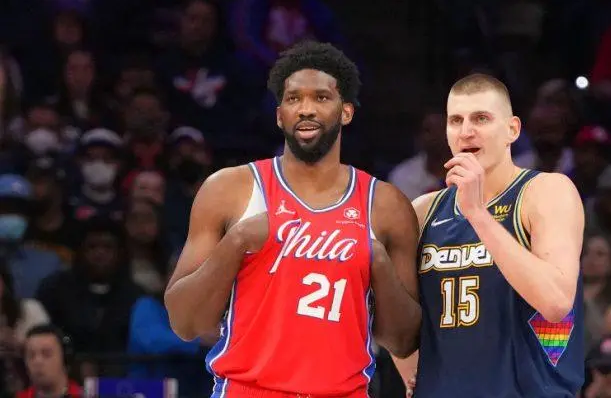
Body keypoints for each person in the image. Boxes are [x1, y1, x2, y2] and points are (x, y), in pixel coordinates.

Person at [164, 41, 421, 397]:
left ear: (346, 111)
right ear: (279, 115)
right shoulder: (230, 189)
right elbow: (184, 323)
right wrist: (235, 243)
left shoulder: (387, 205)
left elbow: (405, 341)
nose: (305, 109)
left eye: (321, 98)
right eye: (293, 99)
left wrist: (378, 263)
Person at [398, 73, 585, 397]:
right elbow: (400, 319)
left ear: (512, 129)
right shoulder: (422, 210)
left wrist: (477, 214)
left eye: (481, 118)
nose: (466, 130)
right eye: (456, 120)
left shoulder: (546, 191)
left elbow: (555, 302)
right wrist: (411, 372)